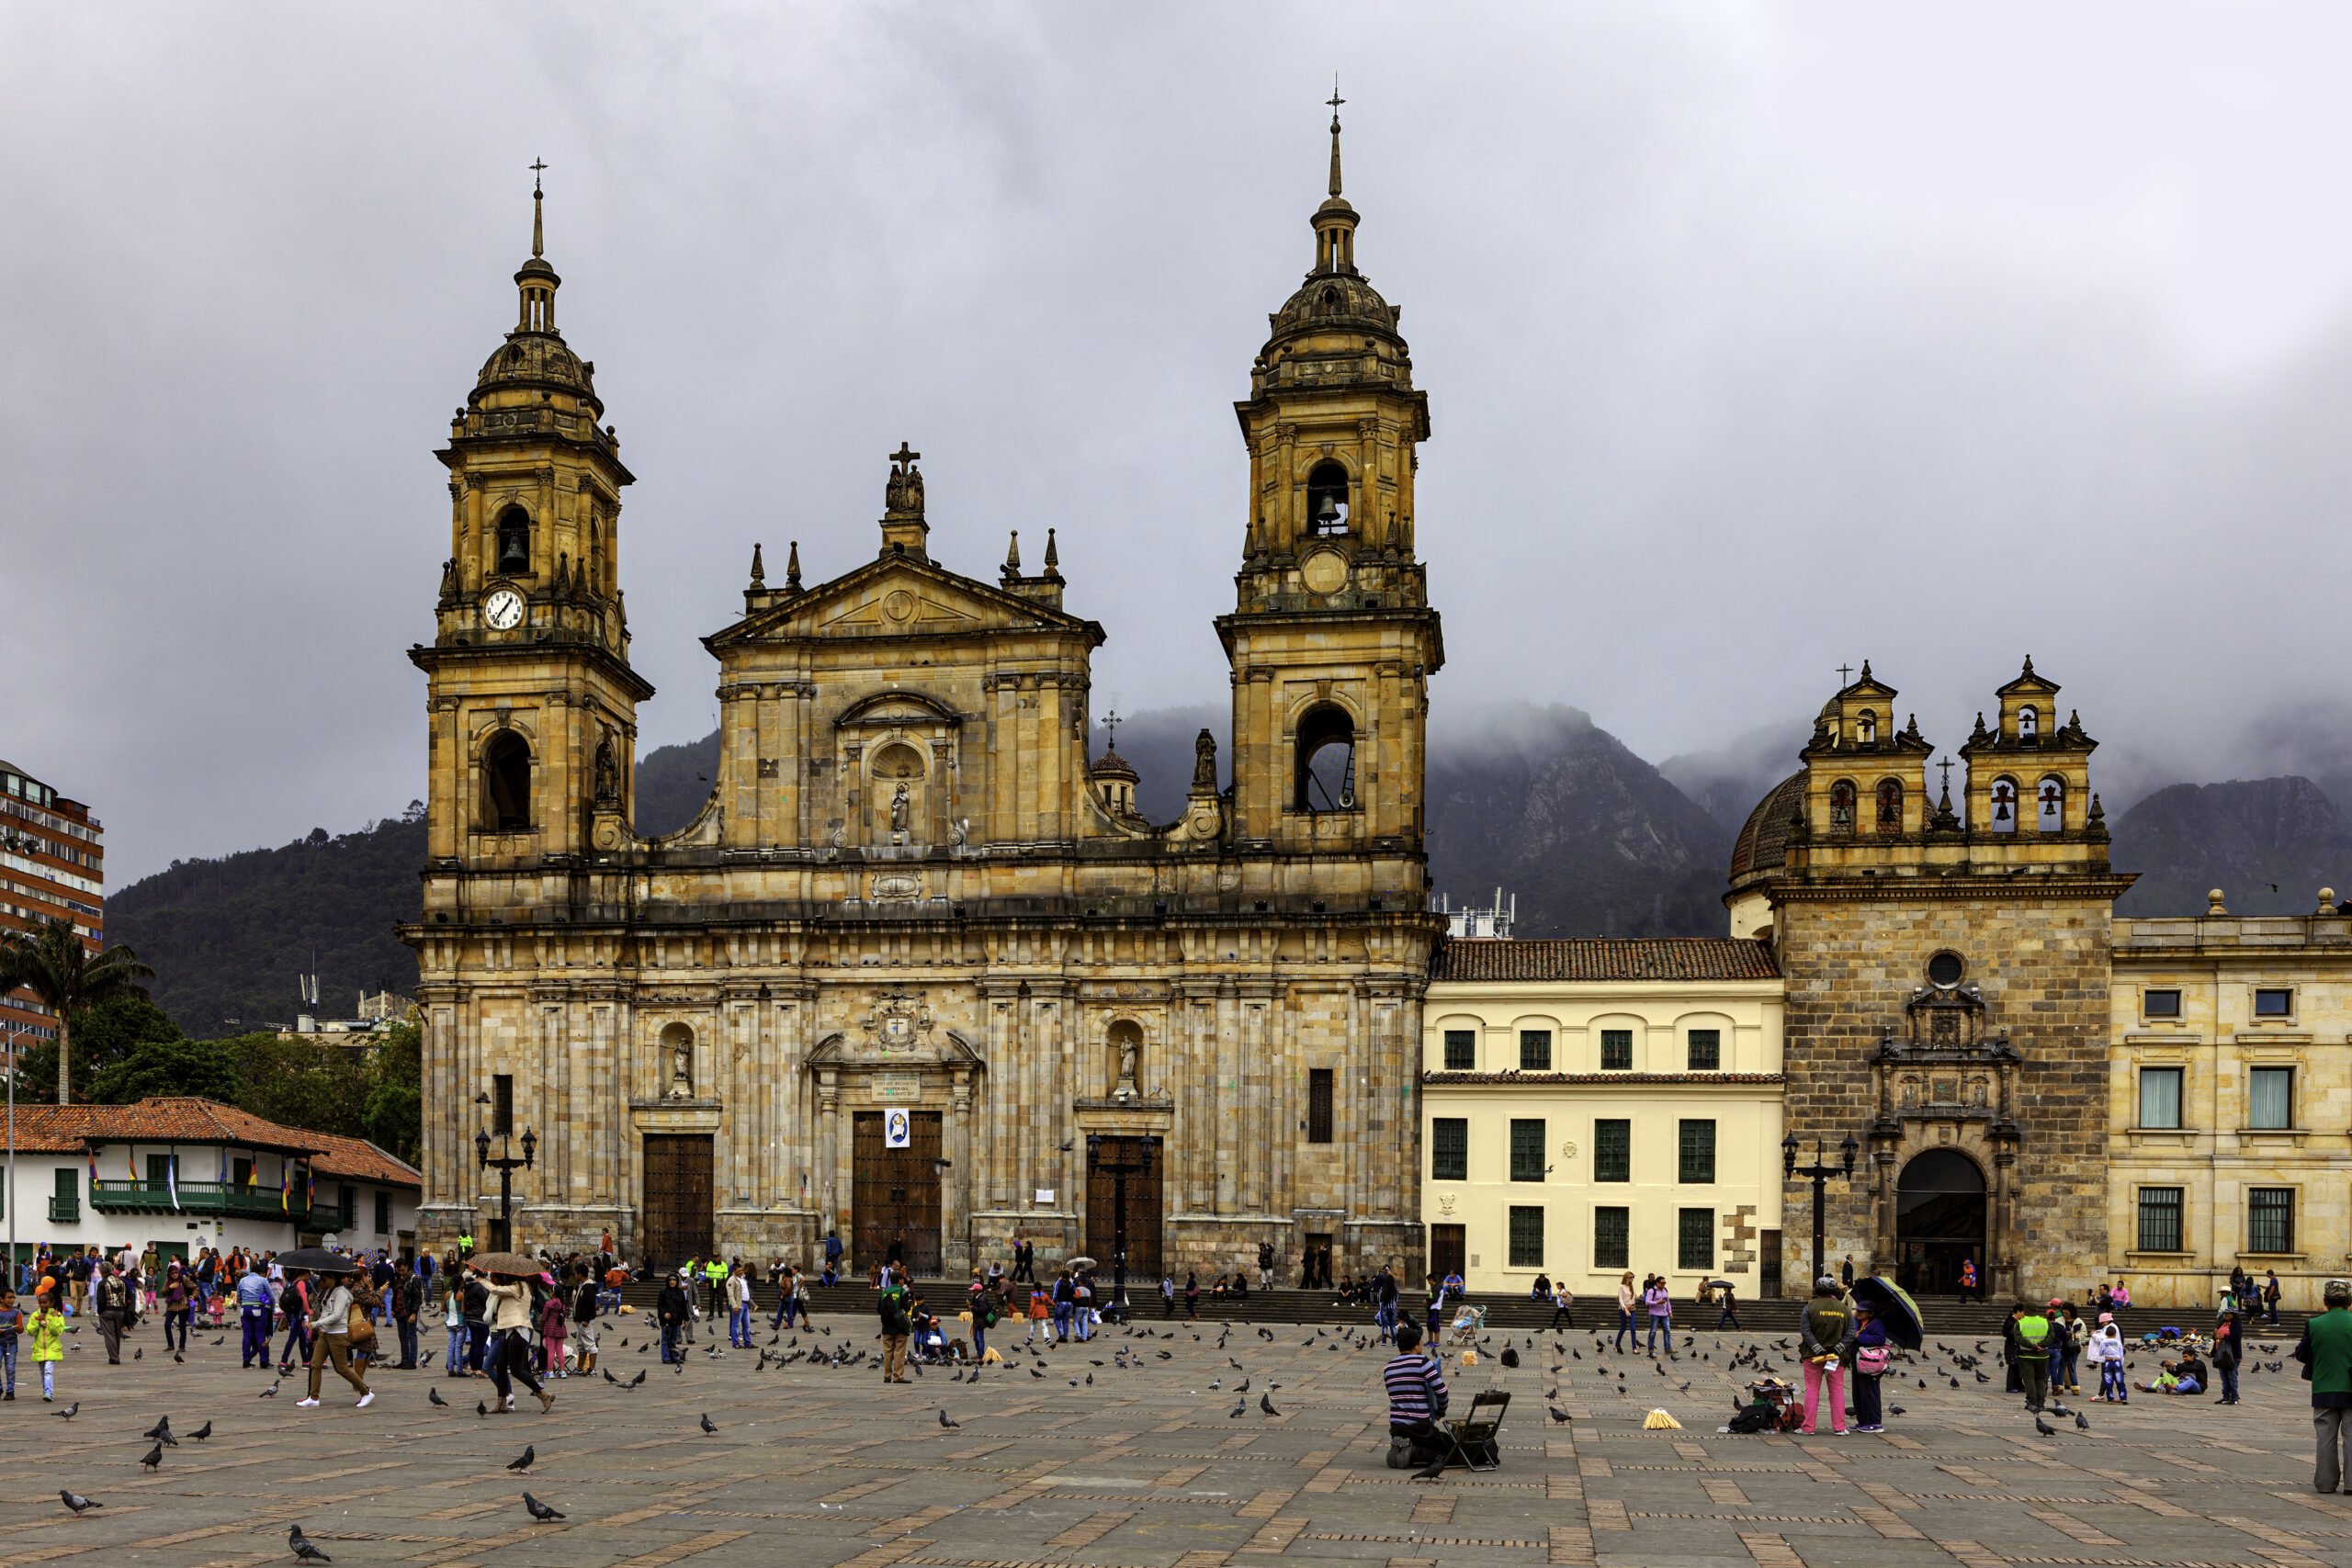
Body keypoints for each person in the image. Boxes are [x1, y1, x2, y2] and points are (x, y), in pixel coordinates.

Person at [2295, 1277, 2352, 1492]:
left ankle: (2325, 1483)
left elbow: (2302, 1354)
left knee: (2325, 1439)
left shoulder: (2314, 1324)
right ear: (2350, 1301)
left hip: (2324, 1386)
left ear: (2325, 1301)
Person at [296, 1271, 374, 1409]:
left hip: (337, 1334)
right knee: (315, 1364)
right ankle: (313, 1397)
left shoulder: (341, 1293)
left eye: (324, 1279)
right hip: (326, 1333)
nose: (321, 1281)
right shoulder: (329, 1291)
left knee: (342, 1368)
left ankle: (366, 1392)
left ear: (332, 1278)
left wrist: (315, 1324)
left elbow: (337, 1315)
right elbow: (326, 1311)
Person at [1382, 1321, 1451, 1469]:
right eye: (1421, 1343)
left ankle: (1401, 1445)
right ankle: (1413, 1452)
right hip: (1420, 1426)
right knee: (1449, 1448)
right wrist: (1441, 1411)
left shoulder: (1389, 1367)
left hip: (1396, 1426)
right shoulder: (1422, 1362)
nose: (1422, 1346)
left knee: (1434, 1441)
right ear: (1415, 1346)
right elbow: (1442, 1391)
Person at [481, 1269, 551, 1413]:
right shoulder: (517, 1287)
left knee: (516, 1370)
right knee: (500, 1366)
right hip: (509, 1331)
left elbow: (494, 1288)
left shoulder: (519, 1287)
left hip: (519, 1331)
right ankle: (501, 1402)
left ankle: (543, 1395)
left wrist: (481, 1280)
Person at [1798, 1277, 1853, 1436]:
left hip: (1812, 1356)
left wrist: (1817, 1348)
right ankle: (1839, 1427)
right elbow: (1850, 1333)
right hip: (1837, 1357)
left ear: (1817, 1290)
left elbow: (1805, 1331)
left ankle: (1808, 1427)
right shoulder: (1844, 1308)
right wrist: (1837, 1349)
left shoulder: (1810, 1307)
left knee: (1812, 1390)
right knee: (1836, 1391)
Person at [2007, 1301, 2054, 1412]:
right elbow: (2051, 1336)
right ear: (2036, 1310)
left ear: (2025, 1310)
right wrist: (2040, 1345)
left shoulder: (2020, 1323)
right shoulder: (2045, 1322)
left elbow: (2018, 1338)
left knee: (2029, 1379)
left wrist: (2032, 1346)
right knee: (2041, 1379)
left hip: (2026, 1355)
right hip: (2042, 1355)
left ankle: (2032, 1402)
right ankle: (2041, 1403)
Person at [1850, 1300, 1890, 1433]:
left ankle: (1874, 1422)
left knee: (1870, 1391)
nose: (1859, 1313)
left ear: (1871, 1313)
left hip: (1870, 1363)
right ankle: (1863, 1420)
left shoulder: (1877, 1323)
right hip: (1858, 1361)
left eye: (1862, 1311)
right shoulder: (1857, 1322)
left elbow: (1879, 1340)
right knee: (1858, 1391)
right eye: (1858, 1310)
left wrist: (1859, 1336)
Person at [28, 1289, 64, 1403]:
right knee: (43, 1372)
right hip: (39, 1348)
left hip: (52, 1348)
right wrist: (37, 1322)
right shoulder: (35, 1314)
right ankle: (46, 1391)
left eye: (45, 1302)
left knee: (48, 1370)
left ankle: (49, 1392)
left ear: (51, 1303)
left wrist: (52, 1319)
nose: (42, 1305)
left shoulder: (57, 1315)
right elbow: (30, 1331)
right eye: (40, 1302)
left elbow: (57, 1331)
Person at [877, 1268, 912, 1383]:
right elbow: (906, 1309)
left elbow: (879, 1309)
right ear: (900, 1280)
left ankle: (887, 1376)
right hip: (900, 1327)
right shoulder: (903, 1292)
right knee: (899, 1352)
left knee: (887, 1352)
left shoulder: (884, 1292)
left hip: (886, 1326)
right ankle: (898, 1376)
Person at [94, 1263, 131, 1364]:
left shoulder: (102, 1283)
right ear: (111, 1270)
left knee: (110, 1335)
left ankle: (114, 1357)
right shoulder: (122, 1281)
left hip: (107, 1311)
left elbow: (100, 1301)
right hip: (121, 1311)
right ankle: (115, 1355)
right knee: (117, 1334)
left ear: (101, 1272)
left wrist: (100, 1312)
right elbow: (128, 1297)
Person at [2086, 1314, 2127, 1403]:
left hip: (2108, 1359)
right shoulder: (2113, 1327)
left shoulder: (2111, 1328)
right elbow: (2121, 1351)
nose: (2101, 1324)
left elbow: (2102, 1341)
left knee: (2107, 1377)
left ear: (2107, 1321)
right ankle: (2123, 1397)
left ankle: (2104, 1396)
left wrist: (2094, 1335)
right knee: (2117, 1379)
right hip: (2116, 1360)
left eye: (2102, 1322)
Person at [655, 1271, 691, 1364]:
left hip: (677, 1319)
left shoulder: (680, 1292)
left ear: (677, 1281)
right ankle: (666, 1357)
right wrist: (664, 1313)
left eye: (674, 1280)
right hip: (666, 1319)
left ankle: (674, 1356)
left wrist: (686, 1319)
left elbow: (683, 1306)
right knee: (665, 1339)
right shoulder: (663, 1291)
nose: (672, 1282)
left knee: (673, 1339)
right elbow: (660, 1305)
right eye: (670, 1280)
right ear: (667, 1281)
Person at [2211, 1308, 2244, 1405]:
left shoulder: (2236, 1325)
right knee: (2224, 1378)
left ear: (2233, 1315)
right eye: (2225, 1314)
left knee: (2232, 1377)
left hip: (2232, 1355)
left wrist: (2224, 1337)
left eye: (2228, 1314)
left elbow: (2236, 1338)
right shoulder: (2222, 1323)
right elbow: (2217, 1337)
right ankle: (2225, 1397)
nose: (2225, 1316)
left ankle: (2234, 1398)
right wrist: (2215, 1336)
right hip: (2221, 1354)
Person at [1643, 1274, 1675, 1358]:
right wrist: (1657, 1302)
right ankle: (1651, 1348)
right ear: (1657, 1283)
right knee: (1653, 1331)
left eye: (1664, 1283)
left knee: (1667, 1330)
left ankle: (1667, 1348)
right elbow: (1647, 1302)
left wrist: (1670, 1312)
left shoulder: (1665, 1290)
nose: (1663, 1284)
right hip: (1655, 1314)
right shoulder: (1651, 1291)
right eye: (1662, 1283)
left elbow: (1667, 1301)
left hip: (1664, 1314)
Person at [726, 1264, 752, 1348]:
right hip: (738, 1305)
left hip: (745, 1304)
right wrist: (734, 1306)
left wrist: (750, 1303)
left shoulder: (742, 1279)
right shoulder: (731, 1280)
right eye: (739, 1271)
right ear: (734, 1271)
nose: (741, 1272)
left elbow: (745, 1291)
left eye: (742, 1270)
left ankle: (747, 1342)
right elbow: (730, 1295)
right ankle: (735, 1343)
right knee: (736, 1325)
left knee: (747, 1324)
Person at [0, 1287, 19, 1400]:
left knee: (10, 1368)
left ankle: (10, 1391)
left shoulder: (16, 1312)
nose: (12, 1300)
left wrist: (18, 1328)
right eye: (9, 1298)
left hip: (11, 1344)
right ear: (1, 1299)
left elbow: (21, 1328)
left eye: (13, 1298)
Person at [1614, 1270, 1637, 1354]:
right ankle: (1617, 1345)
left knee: (1633, 1328)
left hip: (1632, 1309)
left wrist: (1636, 1301)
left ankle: (1634, 1348)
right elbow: (1620, 1299)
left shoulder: (1633, 1286)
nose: (1632, 1279)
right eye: (1630, 1277)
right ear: (1626, 1277)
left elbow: (1634, 1298)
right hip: (1623, 1309)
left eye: (1633, 1277)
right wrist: (1625, 1308)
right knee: (1623, 1328)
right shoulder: (1621, 1286)